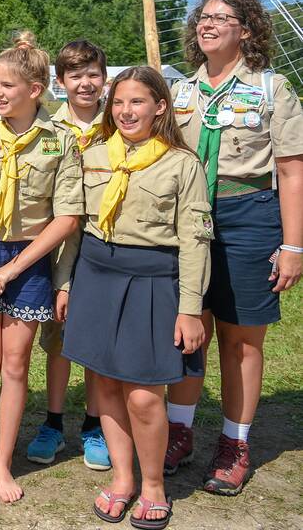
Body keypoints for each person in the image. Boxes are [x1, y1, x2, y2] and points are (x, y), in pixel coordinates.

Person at [164, 0, 303, 495]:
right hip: (187, 220)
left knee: (241, 338)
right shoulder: (179, 93)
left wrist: (294, 246)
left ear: (246, 29)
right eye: (203, 16)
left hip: (249, 216)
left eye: (222, 18)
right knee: (188, 327)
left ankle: (234, 441)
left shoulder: (272, 90)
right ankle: (178, 430)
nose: (208, 23)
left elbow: (291, 171)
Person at [63, 66, 210, 529]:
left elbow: (195, 240)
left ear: (160, 107)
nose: (126, 111)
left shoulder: (182, 164)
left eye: (138, 102)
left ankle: (153, 486)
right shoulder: (92, 156)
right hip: (96, 275)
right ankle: (123, 479)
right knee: (105, 383)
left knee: (145, 395)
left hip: (152, 282)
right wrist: (65, 283)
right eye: (119, 102)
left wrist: (189, 308)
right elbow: (74, 225)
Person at [0, 31, 82, 505]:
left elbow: (67, 216)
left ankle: (4, 462)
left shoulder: (60, 140)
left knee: (16, 363)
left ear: (35, 89)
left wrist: (11, 271)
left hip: (29, 262)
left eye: (8, 85)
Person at [26, 39, 110, 470]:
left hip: (102, 246)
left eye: (93, 74)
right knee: (57, 340)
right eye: (75, 75)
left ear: (105, 78)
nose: (85, 83)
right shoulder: (48, 129)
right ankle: (54, 423)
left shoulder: (118, 126)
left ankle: (94, 425)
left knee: (95, 341)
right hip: (55, 248)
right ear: (60, 82)